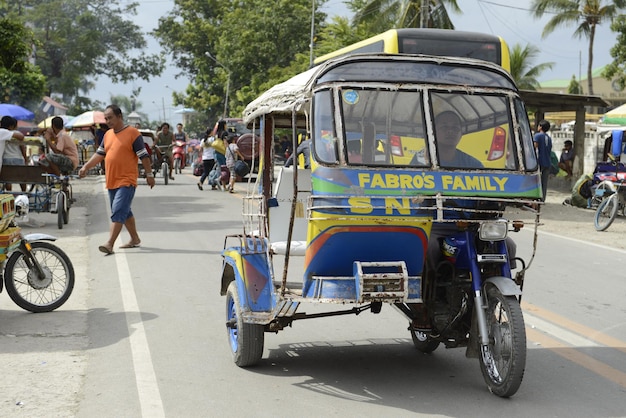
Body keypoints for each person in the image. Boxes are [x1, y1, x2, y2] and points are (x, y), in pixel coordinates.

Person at [78, 104, 155, 255]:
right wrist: (86, 167)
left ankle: (109, 243)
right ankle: (135, 239)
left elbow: (144, 156)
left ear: (120, 116)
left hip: (127, 180)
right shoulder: (107, 135)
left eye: (110, 118)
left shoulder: (133, 133)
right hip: (112, 180)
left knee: (118, 210)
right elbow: (99, 154)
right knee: (125, 212)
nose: (108, 121)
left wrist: (149, 175)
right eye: (106, 119)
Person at [0, 116, 26, 191]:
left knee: (7, 180)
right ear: (12, 126)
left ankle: (8, 193)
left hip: (6, 158)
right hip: (18, 158)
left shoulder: (5, 133)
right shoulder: (6, 132)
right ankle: (24, 193)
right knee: (22, 178)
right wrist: (26, 159)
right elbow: (22, 143)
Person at [533, 119, 552, 201]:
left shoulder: (537, 136)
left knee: (536, 181)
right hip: (547, 162)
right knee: (544, 182)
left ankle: (535, 197)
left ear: (540, 127)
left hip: (539, 161)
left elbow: (534, 147)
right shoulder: (548, 137)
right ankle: (542, 198)